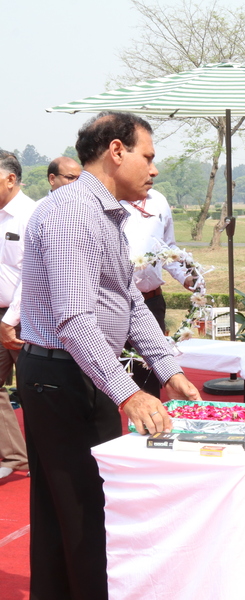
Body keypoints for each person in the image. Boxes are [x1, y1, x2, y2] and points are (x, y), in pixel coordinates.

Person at [18, 111, 202, 599]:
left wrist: (168, 368)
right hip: (62, 376)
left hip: (78, 371)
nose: (154, 170)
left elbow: (127, 299)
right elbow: (75, 320)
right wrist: (129, 395)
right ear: (116, 151)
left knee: (67, 512)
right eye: (148, 156)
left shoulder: (102, 212)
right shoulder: (74, 213)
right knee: (83, 513)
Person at [121, 188, 196, 396]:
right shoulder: (107, 201)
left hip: (152, 302)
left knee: (149, 370)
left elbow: (168, 248)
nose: (152, 173)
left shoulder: (158, 200)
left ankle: (150, 413)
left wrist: (185, 276)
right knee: (114, 367)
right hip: (117, 303)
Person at [0, 152, 35, 480]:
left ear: (11, 179)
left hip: (25, 319)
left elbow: (32, 274)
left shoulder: (32, 215)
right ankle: (15, 456)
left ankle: (49, 456)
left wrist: (9, 320)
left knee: (35, 389)